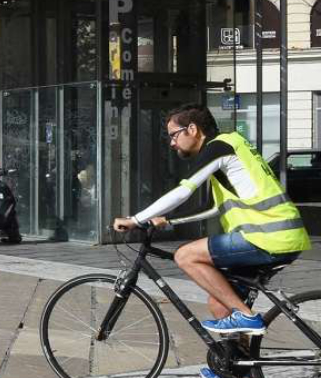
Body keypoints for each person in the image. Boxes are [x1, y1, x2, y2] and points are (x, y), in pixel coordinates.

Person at [111, 105, 309, 378]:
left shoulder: (219, 147)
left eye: (173, 134)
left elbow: (184, 191)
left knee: (185, 256)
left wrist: (136, 218)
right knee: (218, 301)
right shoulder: (231, 148)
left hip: (268, 237)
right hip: (277, 236)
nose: (171, 142)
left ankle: (246, 315)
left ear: (192, 129)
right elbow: (212, 207)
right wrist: (168, 221)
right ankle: (233, 368)